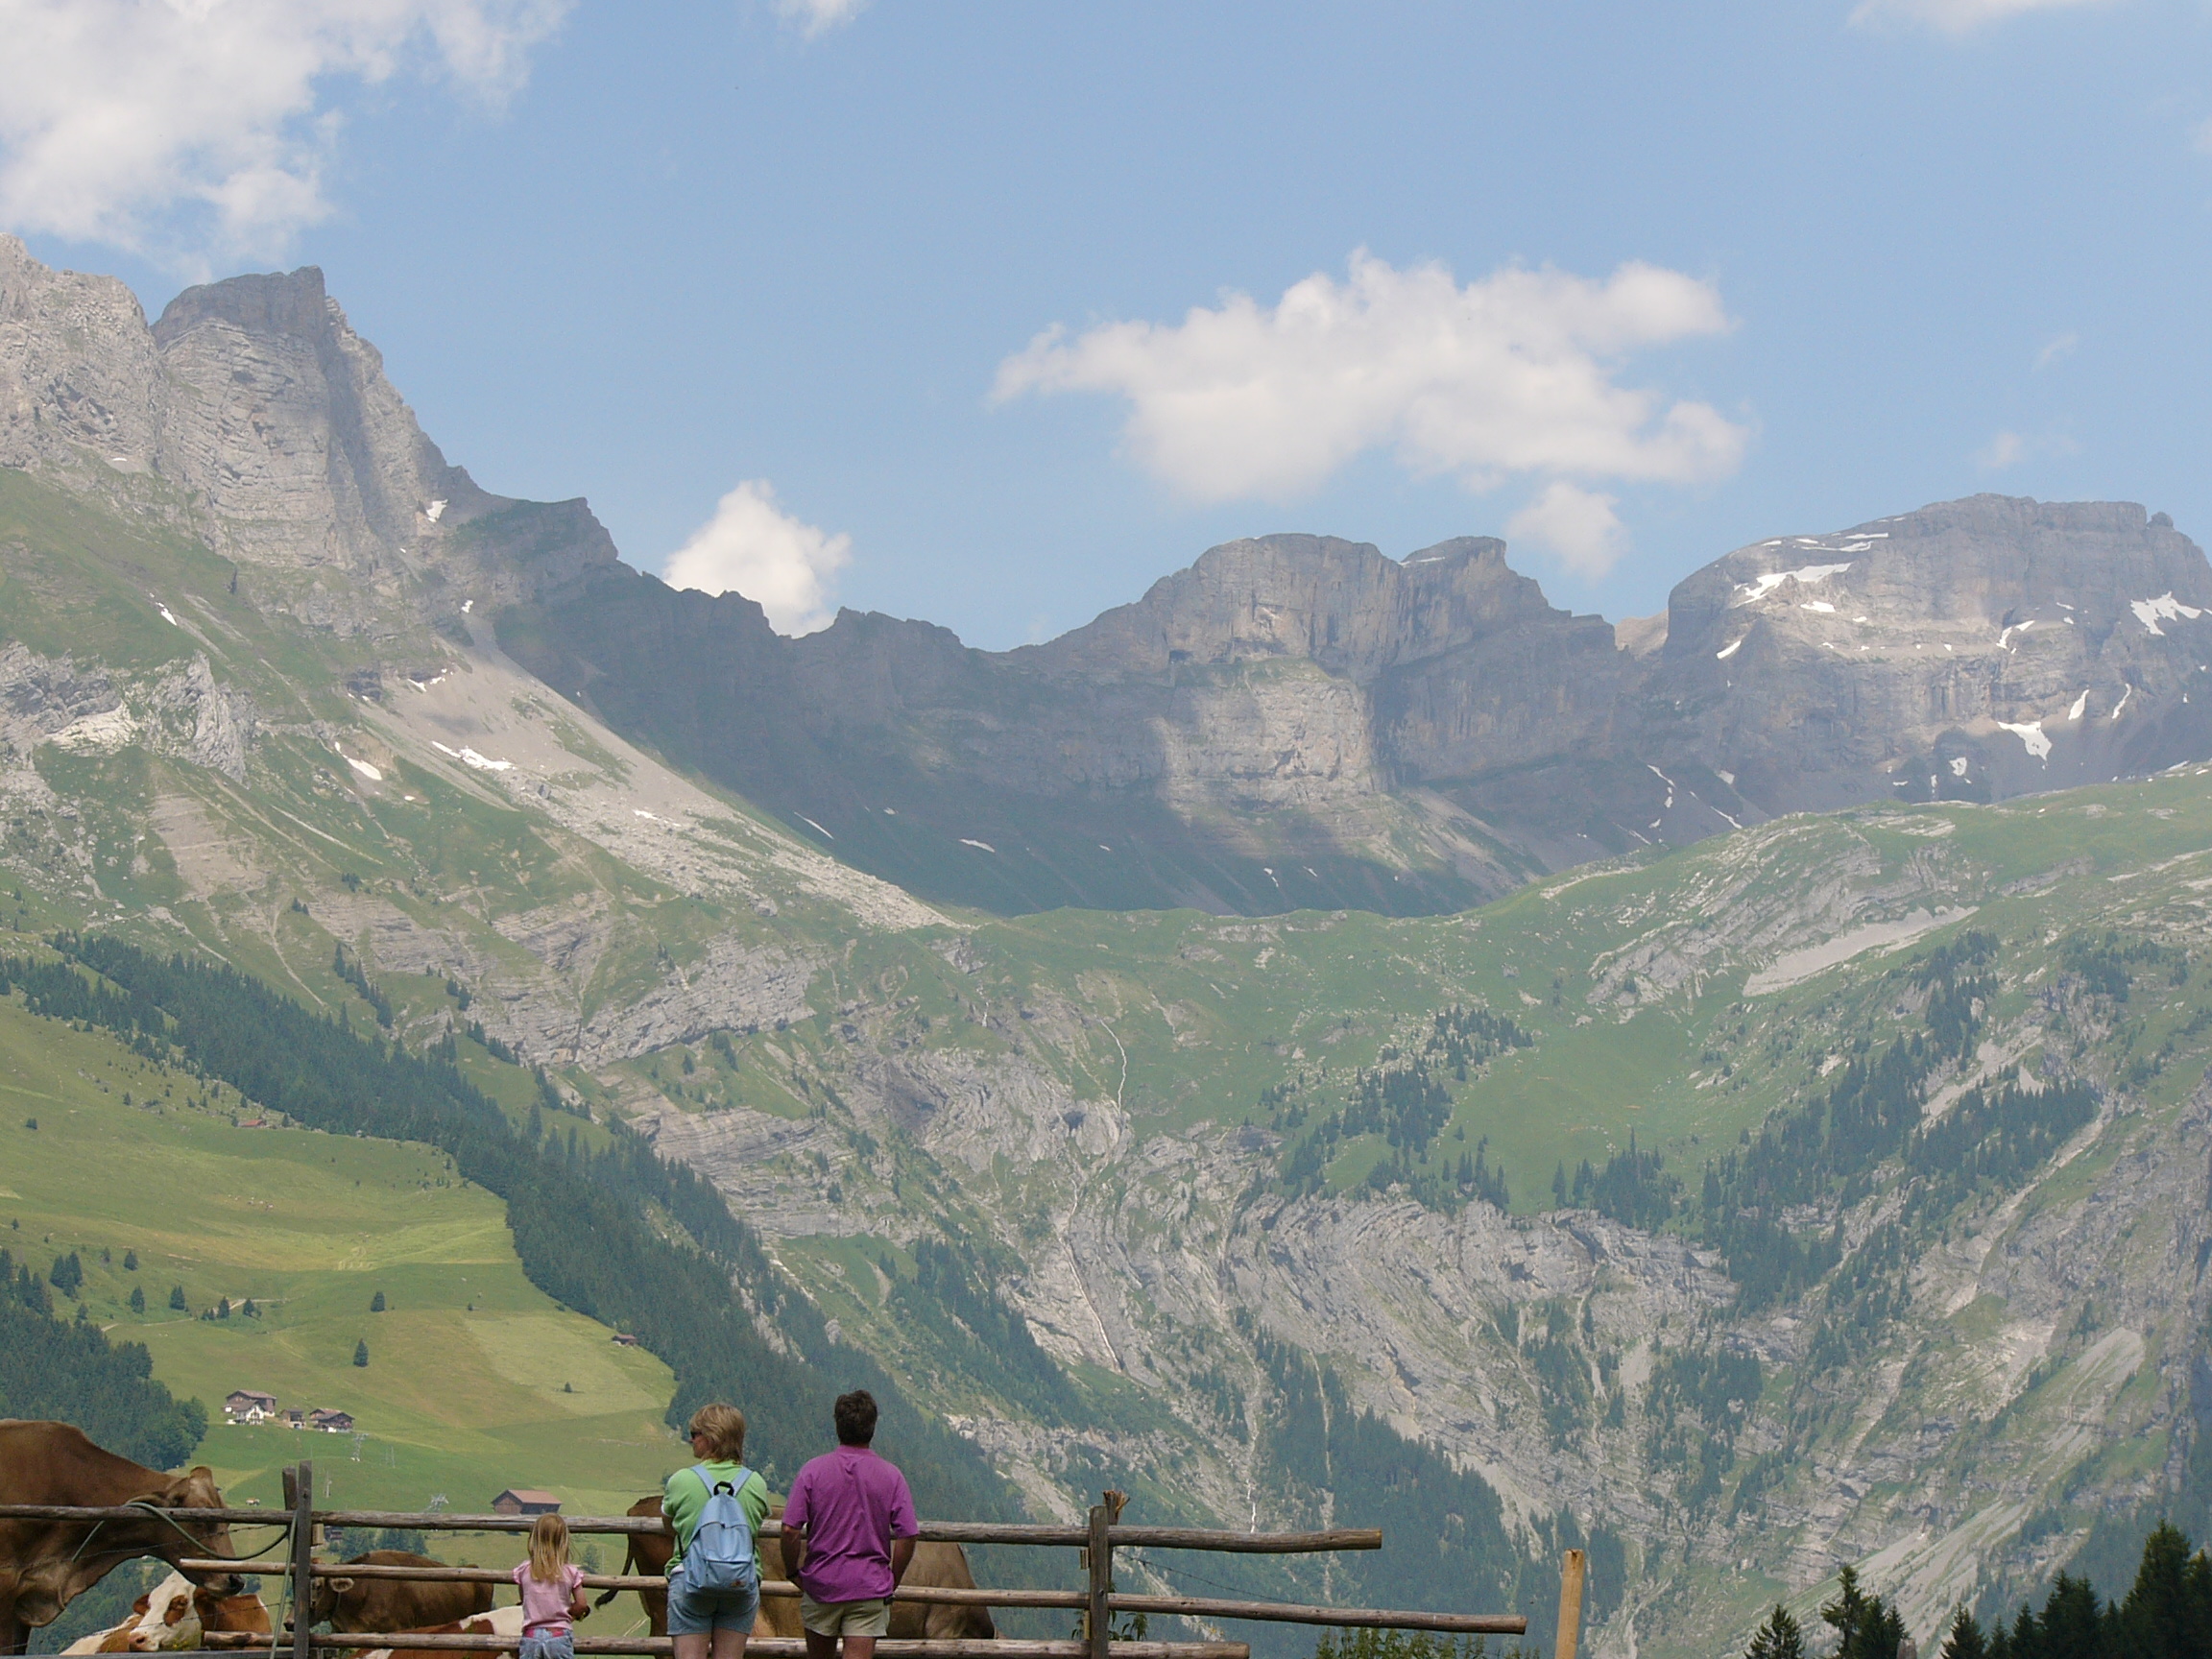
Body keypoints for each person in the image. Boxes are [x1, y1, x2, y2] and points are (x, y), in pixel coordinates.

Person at [782, 1390, 918, 1659]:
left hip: (822, 1583)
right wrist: (893, 1579)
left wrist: (793, 1571)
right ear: (873, 1426)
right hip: (869, 1586)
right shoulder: (891, 1475)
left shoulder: (813, 1470)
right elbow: (909, 1534)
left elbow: (789, 1530)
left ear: (837, 1424)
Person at [663, 1403, 773, 1659]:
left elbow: (670, 1528)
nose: (691, 1439)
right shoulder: (755, 1483)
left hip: (692, 1579)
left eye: (695, 1433)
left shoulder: (681, 1480)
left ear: (711, 1437)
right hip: (740, 1582)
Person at [512, 1513, 589, 1659]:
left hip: (531, 1636)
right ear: (564, 1542)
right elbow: (582, 1604)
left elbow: (524, 1599)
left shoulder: (524, 1570)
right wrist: (571, 1612)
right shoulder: (570, 1572)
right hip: (558, 1635)